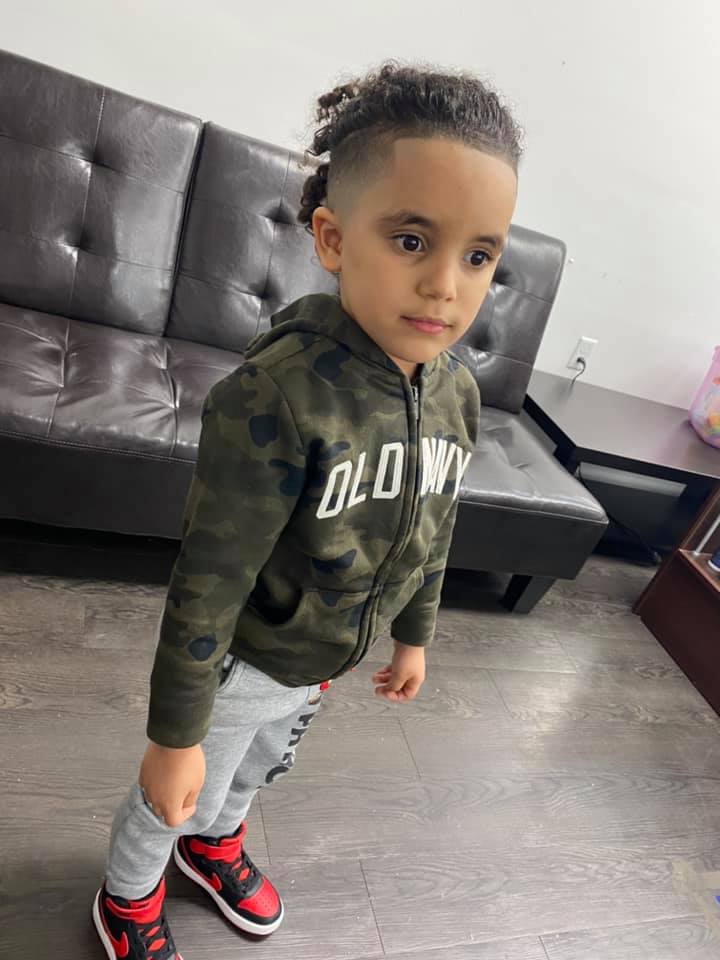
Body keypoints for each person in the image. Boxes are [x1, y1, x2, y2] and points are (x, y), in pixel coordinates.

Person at [92, 57, 521, 960]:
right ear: (331, 238)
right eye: (412, 240)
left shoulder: (456, 393)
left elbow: (436, 523)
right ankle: (129, 894)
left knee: (256, 768)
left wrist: (414, 634)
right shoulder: (278, 395)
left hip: (329, 655)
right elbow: (207, 580)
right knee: (179, 787)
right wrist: (174, 734)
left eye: (479, 255)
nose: (446, 285)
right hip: (245, 658)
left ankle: (215, 845)